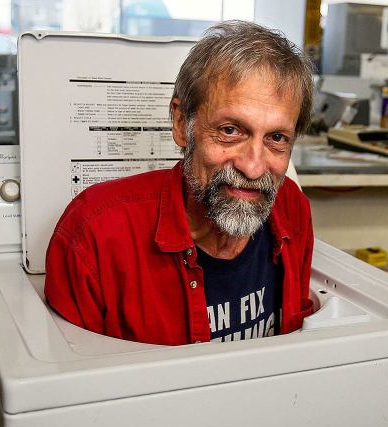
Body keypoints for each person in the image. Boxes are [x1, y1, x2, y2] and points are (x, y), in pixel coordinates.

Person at [44, 20, 317, 345]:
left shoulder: (291, 208)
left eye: (276, 138)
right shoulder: (96, 236)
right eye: (230, 130)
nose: (254, 167)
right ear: (180, 122)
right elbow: (73, 387)